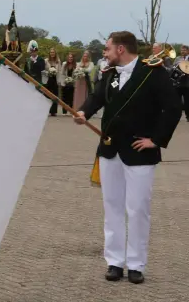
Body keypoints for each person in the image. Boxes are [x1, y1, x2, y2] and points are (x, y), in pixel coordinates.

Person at [73, 31, 181, 284]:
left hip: (140, 152)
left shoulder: (152, 73)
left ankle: (136, 264)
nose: (105, 53)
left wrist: (156, 140)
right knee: (112, 208)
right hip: (110, 149)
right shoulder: (110, 73)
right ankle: (114, 261)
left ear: (121, 49)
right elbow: (97, 97)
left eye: (108, 49)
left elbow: (173, 107)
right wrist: (83, 113)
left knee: (138, 209)